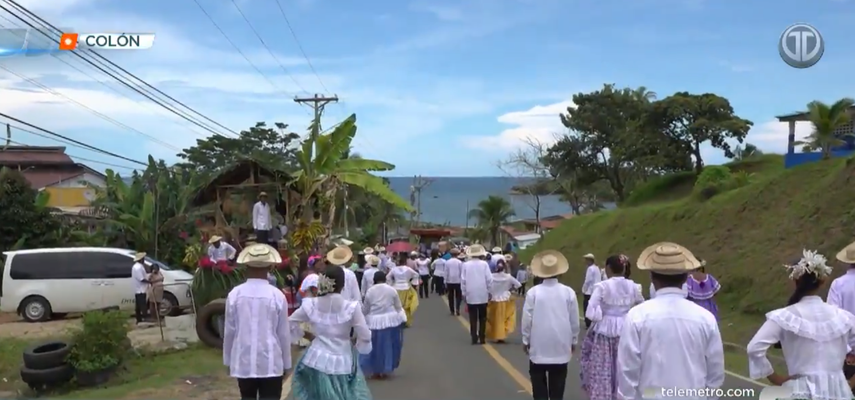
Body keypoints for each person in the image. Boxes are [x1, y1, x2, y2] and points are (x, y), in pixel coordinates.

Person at [617, 242, 724, 400]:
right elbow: (715, 373)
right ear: (686, 277)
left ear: (652, 277)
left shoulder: (636, 316)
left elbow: (627, 370)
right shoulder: (706, 318)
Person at [747, 249, 855, 400]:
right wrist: (850, 383)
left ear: (794, 281)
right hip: (838, 392)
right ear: (822, 281)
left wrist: (776, 379)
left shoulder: (784, 317)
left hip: (800, 390)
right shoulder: (844, 318)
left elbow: (754, 348)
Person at [289, 263, 373, 400]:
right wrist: (357, 343)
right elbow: (365, 335)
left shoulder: (312, 304)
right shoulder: (351, 307)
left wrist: (306, 335)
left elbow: (290, 322)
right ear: (343, 284)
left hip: (315, 358)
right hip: (343, 358)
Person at [223, 244, 292, 400]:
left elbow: (229, 331)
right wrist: (287, 364)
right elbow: (283, 334)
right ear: (270, 266)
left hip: (244, 362)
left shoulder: (235, 294)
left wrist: (228, 361)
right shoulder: (277, 295)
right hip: (271, 361)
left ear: (246, 265)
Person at [580, 254, 644, 400]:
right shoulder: (634, 286)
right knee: (624, 367)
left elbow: (591, 312)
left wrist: (600, 316)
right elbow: (642, 306)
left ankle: (603, 395)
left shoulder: (603, 286)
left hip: (605, 330)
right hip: (626, 329)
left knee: (603, 367)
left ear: (608, 268)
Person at [521, 250, 580, 400]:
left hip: (538, 345)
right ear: (559, 273)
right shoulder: (569, 292)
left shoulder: (533, 293)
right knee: (558, 386)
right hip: (561, 344)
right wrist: (573, 340)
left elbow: (527, 318)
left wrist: (525, 340)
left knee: (538, 384)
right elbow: (574, 321)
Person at [360, 272, 407, 379]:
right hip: (390, 320)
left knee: (374, 347)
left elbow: (366, 309)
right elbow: (398, 306)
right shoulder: (391, 290)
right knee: (389, 346)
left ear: (374, 280)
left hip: (374, 321)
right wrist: (403, 318)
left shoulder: (370, 291)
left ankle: (375, 370)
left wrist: (361, 319)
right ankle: (386, 368)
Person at [462, 244, 493, 345]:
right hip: (482, 293)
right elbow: (489, 279)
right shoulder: (484, 264)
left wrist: (464, 293)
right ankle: (482, 337)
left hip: (471, 293)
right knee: (483, 317)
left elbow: (463, 280)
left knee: (473, 317)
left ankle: (474, 338)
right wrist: (490, 291)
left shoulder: (466, 265)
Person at [486, 259, 521, 343]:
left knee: (493, 318)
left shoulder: (491, 276)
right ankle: (502, 335)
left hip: (493, 299)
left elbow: (487, 285)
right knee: (506, 317)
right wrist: (510, 289)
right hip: (505, 299)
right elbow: (518, 284)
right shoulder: (508, 277)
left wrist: (490, 292)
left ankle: (495, 334)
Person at [387, 252, 420, 327]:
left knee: (397, 305)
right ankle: (406, 321)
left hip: (396, 288)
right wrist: (413, 282)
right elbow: (416, 274)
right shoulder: (408, 269)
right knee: (406, 305)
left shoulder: (394, 269)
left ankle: (397, 321)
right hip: (406, 287)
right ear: (405, 261)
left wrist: (391, 283)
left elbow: (387, 277)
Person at [580, 253, 601, 328]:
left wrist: (584, 289)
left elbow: (588, 280)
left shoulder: (590, 269)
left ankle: (588, 323)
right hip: (596, 290)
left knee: (587, 307)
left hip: (589, 291)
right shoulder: (597, 268)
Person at [131, 252, 150, 324]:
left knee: (138, 305)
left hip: (138, 289)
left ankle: (138, 319)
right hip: (141, 289)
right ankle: (144, 318)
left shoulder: (137, 266)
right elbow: (141, 279)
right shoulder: (138, 267)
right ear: (141, 259)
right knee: (142, 304)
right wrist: (149, 282)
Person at [444, 248, 464, 316]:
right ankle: (457, 308)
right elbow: (462, 272)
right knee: (458, 296)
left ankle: (452, 310)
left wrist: (445, 281)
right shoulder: (459, 262)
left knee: (451, 296)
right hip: (458, 281)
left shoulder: (447, 262)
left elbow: (446, 272)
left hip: (450, 281)